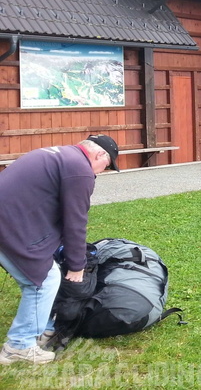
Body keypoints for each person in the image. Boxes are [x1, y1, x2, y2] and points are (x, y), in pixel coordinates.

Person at [0, 134, 119, 365]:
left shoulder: (60, 155)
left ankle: (42, 329)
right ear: (99, 155)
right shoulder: (80, 170)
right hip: (8, 225)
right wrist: (76, 265)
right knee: (43, 281)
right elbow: (75, 221)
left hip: (10, 220)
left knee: (43, 275)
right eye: (106, 166)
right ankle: (19, 345)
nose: (101, 172)